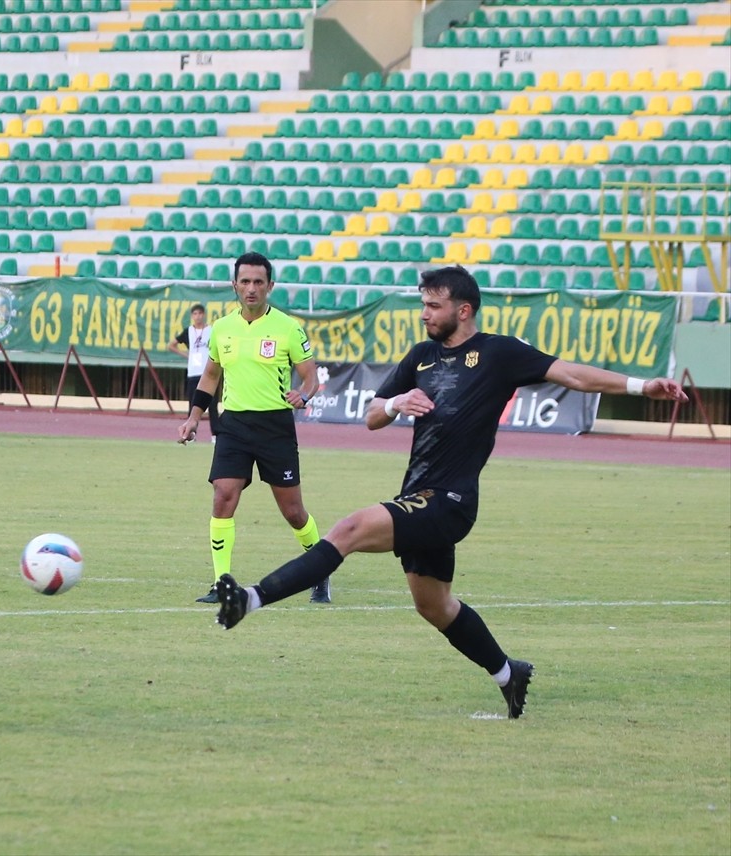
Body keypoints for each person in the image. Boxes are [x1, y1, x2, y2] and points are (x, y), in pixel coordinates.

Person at [213, 265, 689, 719]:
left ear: (463, 310)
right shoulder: (421, 357)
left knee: (350, 529)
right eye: (423, 304)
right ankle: (508, 674)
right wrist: (397, 402)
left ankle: (250, 599)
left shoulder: (499, 353)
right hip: (419, 493)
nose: (424, 314)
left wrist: (642, 385)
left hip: (451, 499)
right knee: (434, 605)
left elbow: (574, 376)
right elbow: (373, 416)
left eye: (433, 306)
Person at [177, 252, 330, 606]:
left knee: (293, 511)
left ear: (270, 286)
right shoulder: (223, 328)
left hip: (275, 426)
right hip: (233, 425)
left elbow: (311, 377)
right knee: (222, 497)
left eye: (258, 282)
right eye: (244, 282)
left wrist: (303, 395)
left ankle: (321, 569)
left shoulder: (288, 328)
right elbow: (211, 375)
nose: (251, 288)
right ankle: (220, 582)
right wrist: (194, 417)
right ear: (234, 285)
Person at [168, 303, 220, 442]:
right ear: (192, 316)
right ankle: (190, 434)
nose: (198, 317)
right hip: (193, 373)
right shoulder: (188, 331)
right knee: (193, 405)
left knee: (213, 407)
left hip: (209, 372)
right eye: (195, 314)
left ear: (204, 315)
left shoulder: (211, 330)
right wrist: (187, 355)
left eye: (200, 314)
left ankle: (215, 435)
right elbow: (171, 345)